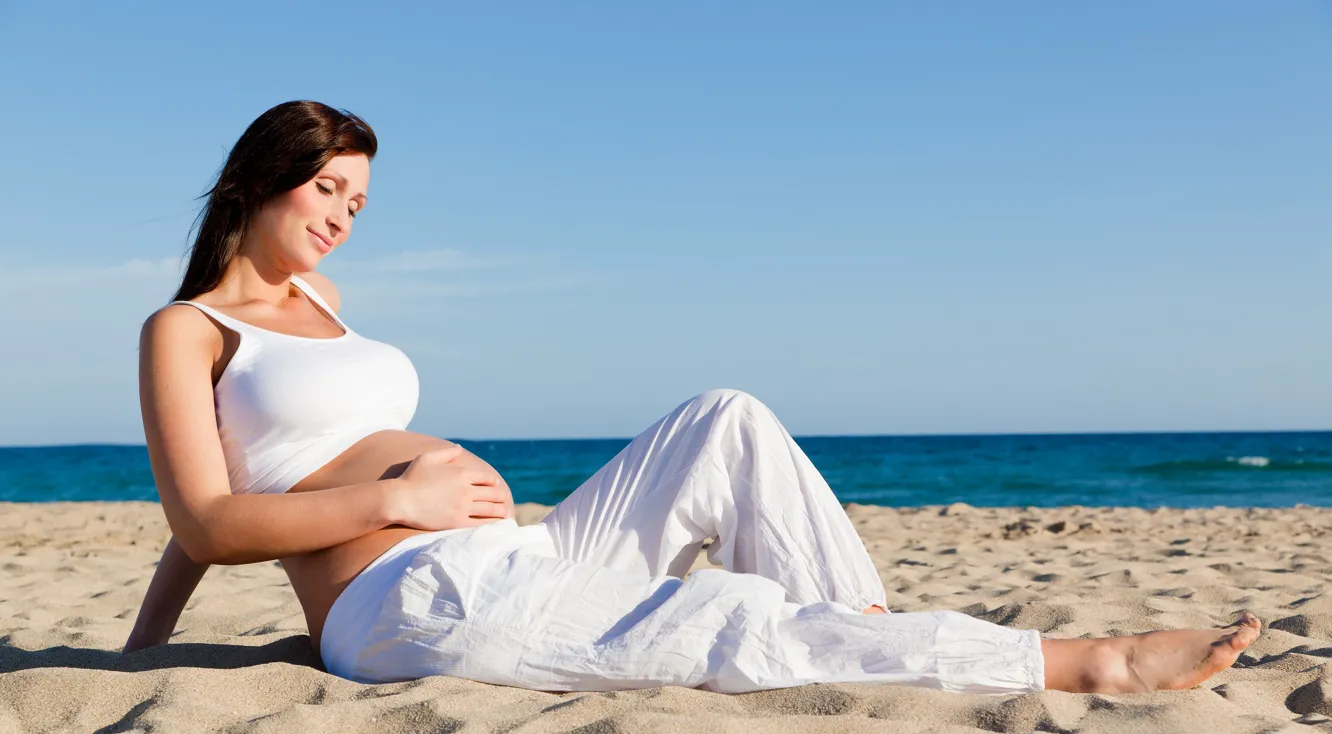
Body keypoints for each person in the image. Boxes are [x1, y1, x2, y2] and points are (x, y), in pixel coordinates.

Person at [126, 100, 1262, 695]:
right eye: (326, 189)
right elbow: (208, 520)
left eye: (359, 201)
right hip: (400, 599)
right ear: (256, 180)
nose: (342, 215)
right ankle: (1089, 663)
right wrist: (404, 499)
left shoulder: (323, 300)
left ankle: (871, 637)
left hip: (512, 553)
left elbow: (224, 474)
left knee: (726, 418)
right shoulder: (187, 329)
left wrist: (141, 651)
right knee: (722, 621)